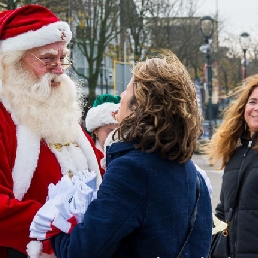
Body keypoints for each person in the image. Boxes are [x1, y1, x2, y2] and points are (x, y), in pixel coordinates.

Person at [51, 52, 212, 257]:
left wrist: (52, 227)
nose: (121, 97)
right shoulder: (191, 171)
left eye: (126, 90)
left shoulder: (132, 169)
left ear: (139, 107)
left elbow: (81, 250)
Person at [0, 4, 103, 258]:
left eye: (62, 58)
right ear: (12, 62)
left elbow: (100, 170)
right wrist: (57, 231)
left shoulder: (59, 109)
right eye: (47, 59)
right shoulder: (4, 117)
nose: (59, 69)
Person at [204, 74, 258, 257]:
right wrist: (213, 245)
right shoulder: (236, 154)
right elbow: (224, 209)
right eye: (253, 101)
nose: (256, 108)